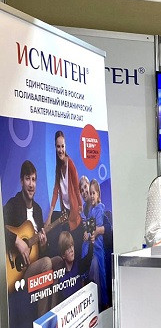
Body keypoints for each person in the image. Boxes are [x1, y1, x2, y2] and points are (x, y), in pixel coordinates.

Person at [3, 160, 62, 328]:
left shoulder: (37, 210)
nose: (31, 184)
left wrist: (43, 243)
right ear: (21, 181)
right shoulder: (13, 204)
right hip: (17, 272)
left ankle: (52, 324)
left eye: (34, 179)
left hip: (34, 266)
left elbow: (38, 250)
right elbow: (2, 228)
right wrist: (16, 241)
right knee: (46, 263)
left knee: (57, 261)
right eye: (28, 179)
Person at [47, 130, 81, 232]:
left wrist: (80, 206)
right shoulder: (58, 168)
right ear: (55, 147)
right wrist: (49, 216)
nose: (61, 150)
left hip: (74, 211)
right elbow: (55, 192)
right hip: (65, 211)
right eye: (58, 146)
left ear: (65, 147)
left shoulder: (70, 165)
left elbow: (77, 188)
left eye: (62, 146)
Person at [82, 179, 109, 309]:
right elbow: (89, 226)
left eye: (94, 193)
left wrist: (90, 233)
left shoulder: (100, 208)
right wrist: (86, 232)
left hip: (98, 247)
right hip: (91, 248)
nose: (92, 196)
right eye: (90, 193)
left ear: (98, 194)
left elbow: (97, 227)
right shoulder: (90, 210)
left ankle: (103, 302)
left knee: (100, 273)